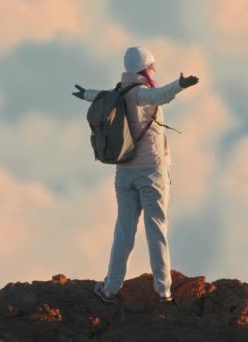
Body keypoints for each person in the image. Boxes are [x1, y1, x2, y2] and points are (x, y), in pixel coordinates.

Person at [72, 47, 199, 303]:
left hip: (124, 173)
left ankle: (110, 288)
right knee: (156, 230)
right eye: (153, 66)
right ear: (145, 69)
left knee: (124, 231)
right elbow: (161, 95)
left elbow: (98, 95)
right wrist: (181, 84)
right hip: (151, 173)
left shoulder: (117, 93)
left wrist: (85, 93)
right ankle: (163, 290)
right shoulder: (141, 94)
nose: (155, 70)